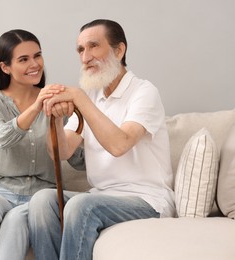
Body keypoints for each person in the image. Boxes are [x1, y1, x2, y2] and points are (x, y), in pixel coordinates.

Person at [28, 19, 176, 260]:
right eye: (81, 50)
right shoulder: (91, 96)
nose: (85, 57)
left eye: (94, 46)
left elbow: (120, 144)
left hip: (147, 201)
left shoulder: (143, 92)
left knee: (80, 205)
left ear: (119, 50)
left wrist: (78, 97)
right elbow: (61, 153)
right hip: (101, 197)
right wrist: (55, 117)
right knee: (42, 201)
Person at [0, 29, 63, 260]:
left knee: (16, 220)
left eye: (37, 56)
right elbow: (0, 138)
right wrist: (37, 106)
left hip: (40, 197)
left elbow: (76, 157)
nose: (35, 64)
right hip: (0, 191)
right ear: (5, 67)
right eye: (24, 59)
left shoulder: (56, 99)